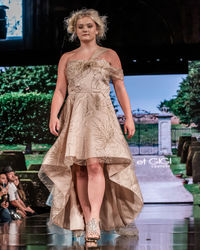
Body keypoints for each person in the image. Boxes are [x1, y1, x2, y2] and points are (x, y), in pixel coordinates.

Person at [38, 8, 143, 243]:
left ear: (97, 28)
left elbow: (120, 87)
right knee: (79, 167)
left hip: (99, 113)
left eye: (89, 26)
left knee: (96, 164)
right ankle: (86, 220)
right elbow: (60, 90)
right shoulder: (67, 57)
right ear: (74, 31)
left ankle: (94, 218)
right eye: (80, 26)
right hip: (74, 114)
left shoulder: (109, 55)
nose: (85, 30)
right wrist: (53, 115)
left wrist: (129, 116)